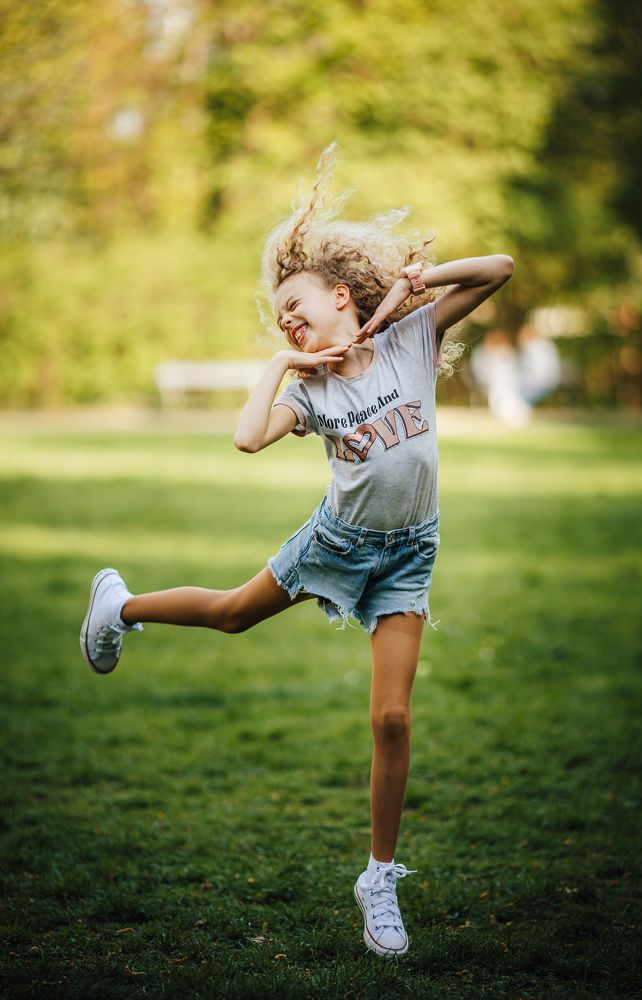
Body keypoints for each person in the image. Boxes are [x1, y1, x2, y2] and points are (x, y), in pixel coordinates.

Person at [80, 144, 514, 959]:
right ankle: (121, 605)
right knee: (235, 615)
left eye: (296, 305)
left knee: (391, 718)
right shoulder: (309, 391)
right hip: (336, 543)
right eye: (277, 314)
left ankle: (378, 878)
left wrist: (421, 282)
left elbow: (498, 268)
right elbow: (248, 439)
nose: (285, 316)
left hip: (409, 553)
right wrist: (283, 362)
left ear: (341, 296)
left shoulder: (410, 340)